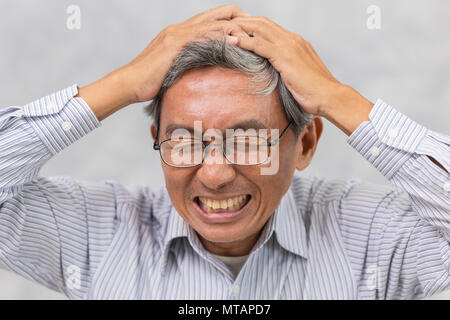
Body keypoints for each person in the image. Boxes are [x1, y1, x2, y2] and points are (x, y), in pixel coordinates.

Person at [0, 4, 448, 299]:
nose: (214, 175)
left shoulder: (375, 235)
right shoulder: (99, 232)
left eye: (248, 141)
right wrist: (123, 84)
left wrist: (338, 98)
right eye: (184, 141)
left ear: (306, 142)